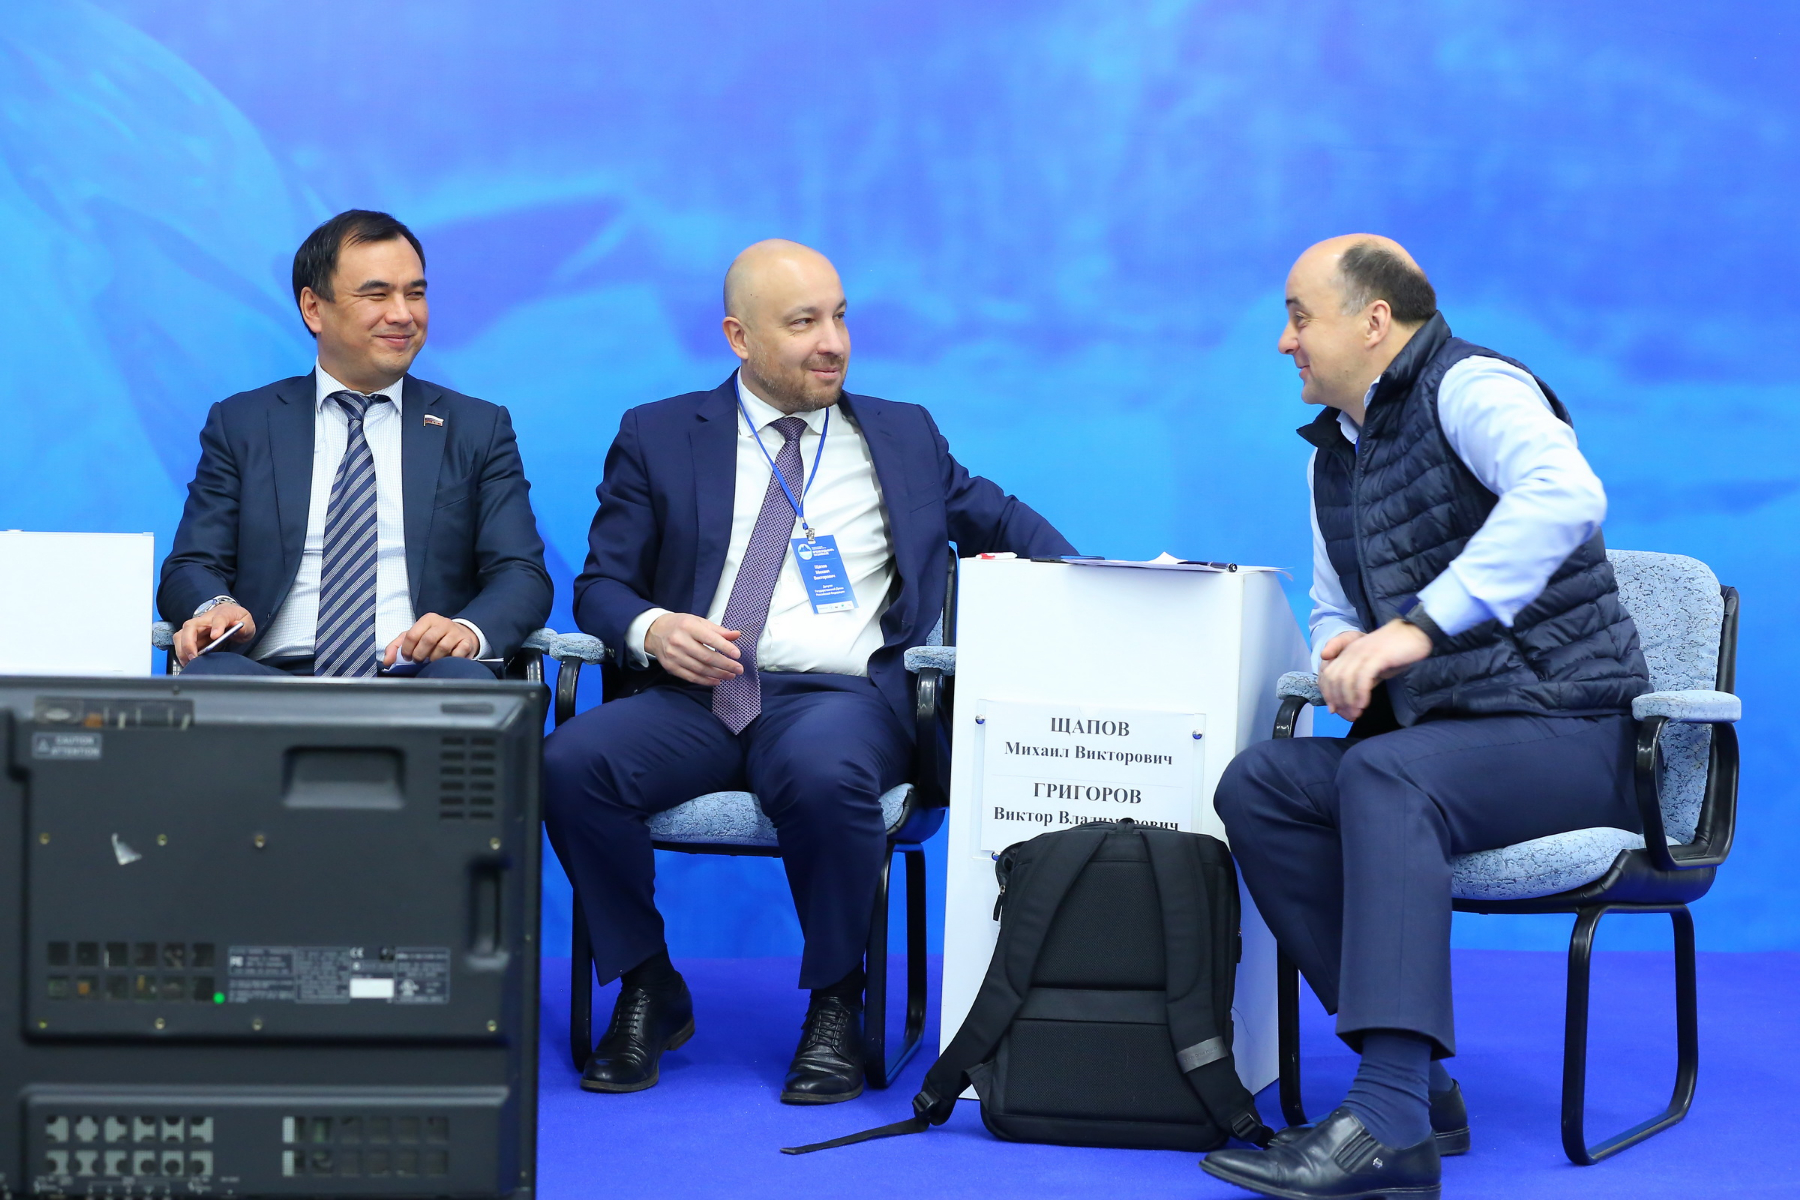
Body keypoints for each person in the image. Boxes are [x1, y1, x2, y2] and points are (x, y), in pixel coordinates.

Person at [544, 239, 1076, 1104]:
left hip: (839, 697)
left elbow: (1008, 524)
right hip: (698, 692)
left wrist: (1116, 597)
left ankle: (836, 1001)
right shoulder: (659, 432)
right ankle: (647, 983)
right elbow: (601, 585)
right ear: (739, 337)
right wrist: (655, 629)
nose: (833, 342)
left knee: (826, 773)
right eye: (803, 323)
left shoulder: (902, 433)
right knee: (570, 763)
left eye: (840, 318)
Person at [1200, 237, 1649, 1199]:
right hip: (1448, 750)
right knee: (1261, 785)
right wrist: (1340, 647)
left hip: (1579, 733)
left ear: (1375, 321)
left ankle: (1387, 1125)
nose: (1284, 341)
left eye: (1299, 317)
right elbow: (1334, 604)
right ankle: (1419, 1093)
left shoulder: (1472, 386)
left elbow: (1567, 492)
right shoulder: (1334, 455)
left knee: (1385, 772)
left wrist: (1416, 628)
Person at [159, 210, 552, 679]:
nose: (403, 314)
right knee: (214, 679)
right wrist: (216, 606)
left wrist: (466, 630)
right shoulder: (244, 423)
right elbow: (192, 563)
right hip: (272, 676)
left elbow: (521, 573)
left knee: (464, 684)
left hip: (421, 674)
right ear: (313, 308)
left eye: (415, 294)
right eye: (377, 295)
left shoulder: (475, 428)